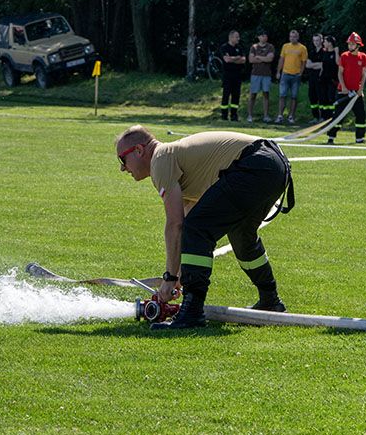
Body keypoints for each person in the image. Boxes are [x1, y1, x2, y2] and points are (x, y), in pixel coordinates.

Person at [116, 126, 294, 330]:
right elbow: (189, 217)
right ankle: (270, 300)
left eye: (123, 160)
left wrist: (170, 278)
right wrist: (182, 274)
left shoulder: (160, 160)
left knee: (197, 229)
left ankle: (191, 313)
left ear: (139, 150)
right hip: (272, 165)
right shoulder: (174, 159)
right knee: (241, 235)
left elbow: (177, 225)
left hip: (256, 164)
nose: (123, 168)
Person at [327, 32, 366, 144]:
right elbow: (340, 73)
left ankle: (359, 138)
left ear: (358, 45)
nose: (350, 46)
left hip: (356, 93)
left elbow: (364, 74)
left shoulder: (363, 57)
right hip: (343, 91)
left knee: (361, 115)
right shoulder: (344, 56)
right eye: (349, 44)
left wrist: (361, 89)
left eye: (352, 44)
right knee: (338, 116)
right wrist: (344, 88)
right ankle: (331, 137)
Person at [275, 30, 308, 124]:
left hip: (296, 75)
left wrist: (301, 72)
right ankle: (280, 116)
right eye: (291, 36)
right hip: (285, 74)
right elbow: (281, 59)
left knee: (294, 96)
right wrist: (278, 71)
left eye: (294, 37)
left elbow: (304, 62)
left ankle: (291, 116)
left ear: (298, 37)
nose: (292, 38)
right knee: (282, 95)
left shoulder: (302, 48)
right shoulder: (285, 46)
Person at [247, 29, 275, 123]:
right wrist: (264, 59)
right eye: (262, 36)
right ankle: (250, 115)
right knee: (253, 94)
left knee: (266, 94)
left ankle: (266, 116)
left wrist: (258, 57)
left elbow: (270, 59)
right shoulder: (254, 47)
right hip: (255, 74)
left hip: (266, 74)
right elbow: (251, 60)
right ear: (258, 37)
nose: (264, 37)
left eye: (265, 35)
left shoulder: (270, 47)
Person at [219, 31, 246, 121]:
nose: (238, 38)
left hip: (237, 76)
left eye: (238, 37)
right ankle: (224, 115)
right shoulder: (224, 47)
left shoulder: (239, 48)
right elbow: (226, 60)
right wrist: (236, 58)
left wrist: (232, 58)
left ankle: (234, 115)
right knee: (226, 95)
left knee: (236, 95)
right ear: (231, 38)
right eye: (236, 37)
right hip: (227, 76)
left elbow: (243, 60)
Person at [319, 35, 340, 125]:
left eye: (325, 41)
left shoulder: (335, 52)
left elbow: (338, 63)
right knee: (323, 97)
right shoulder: (325, 52)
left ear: (330, 43)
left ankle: (332, 116)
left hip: (332, 79)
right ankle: (324, 116)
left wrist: (336, 52)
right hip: (324, 78)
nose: (323, 43)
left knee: (331, 97)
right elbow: (323, 65)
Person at [305, 33, 326, 123]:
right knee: (312, 97)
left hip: (321, 78)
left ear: (321, 40)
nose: (316, 42)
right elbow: (307, 65)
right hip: (312, 78)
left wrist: (314, 65)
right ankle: (315, 117)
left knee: (321, 97)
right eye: (314, 40)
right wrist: (317, 65)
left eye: (317, 40)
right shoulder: (311, 52)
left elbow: (323, 65)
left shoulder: (325, 51)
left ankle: (323, 116)